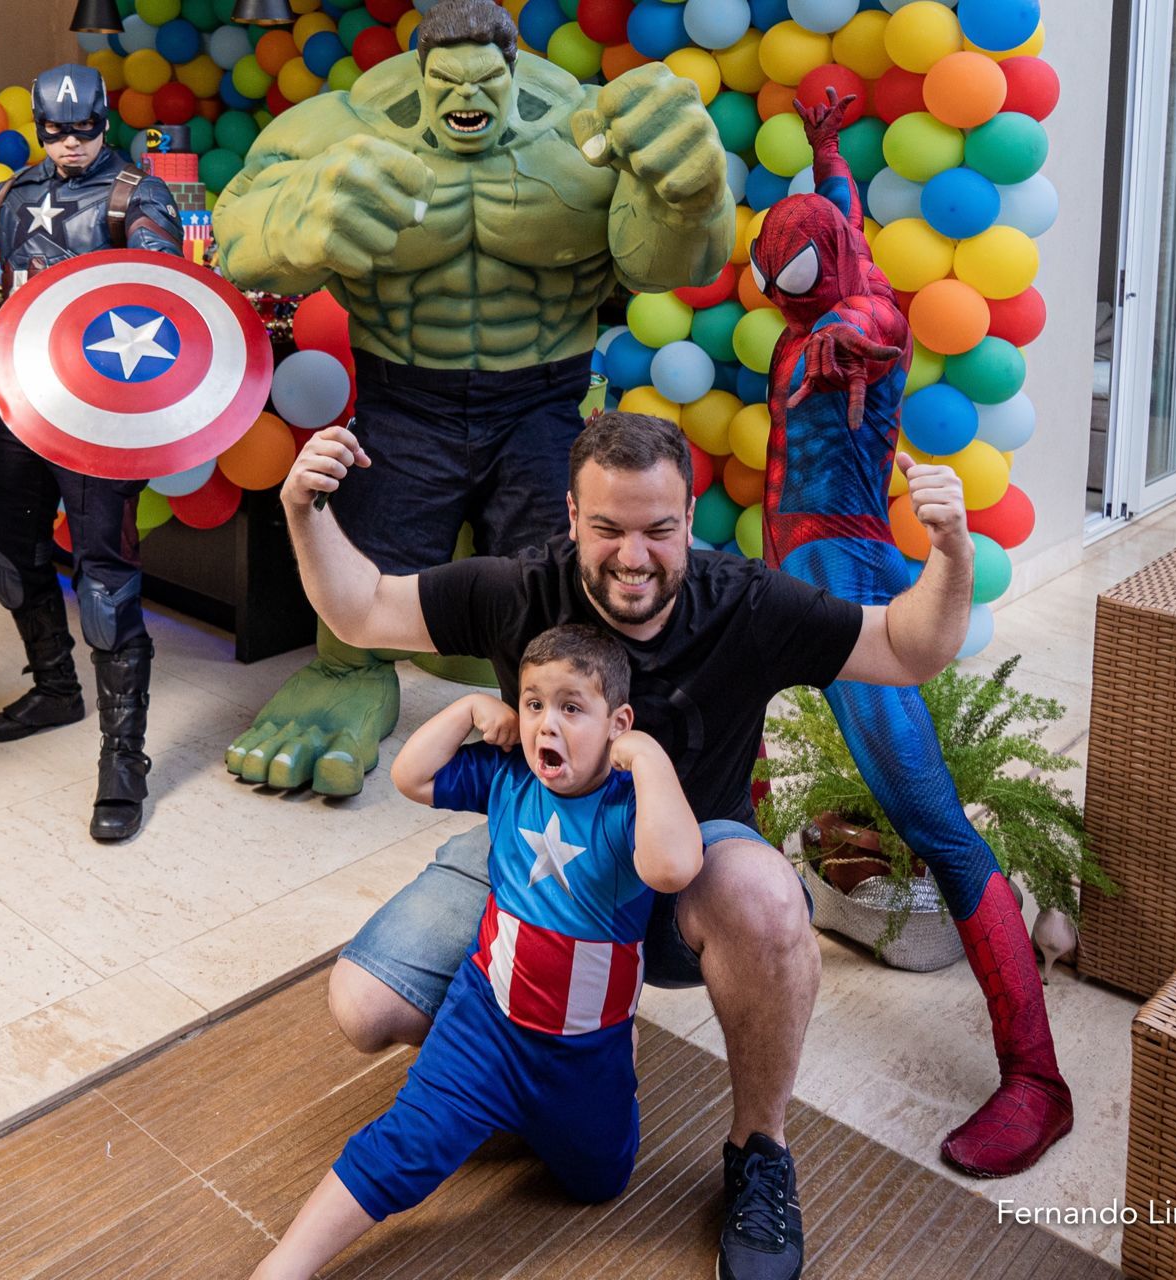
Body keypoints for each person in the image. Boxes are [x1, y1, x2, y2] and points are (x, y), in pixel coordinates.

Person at [279, 409, 976, 1280]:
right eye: (608, 528)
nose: (634, 556)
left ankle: (760, 1152)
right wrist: (303, 508)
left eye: (659, 530)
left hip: (679, 885)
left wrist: (951, 553)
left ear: (689, 519)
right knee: (363, 1008)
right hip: (536, 870)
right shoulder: (520, 588)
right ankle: (531, 1056)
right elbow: (362, 608)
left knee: (765, 895)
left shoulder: (748, 602)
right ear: (572, 517)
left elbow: (907, 650)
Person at [212, 0, 734, 799]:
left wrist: (694, 199)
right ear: (422, 71)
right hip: (402, 397)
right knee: (365, 562)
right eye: (448, 82)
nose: (468, 98)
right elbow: (236, 238)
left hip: (542, 400)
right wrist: (292, 216)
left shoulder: (585, 130)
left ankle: (580, 716)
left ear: (511, 70)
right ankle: (347, 675)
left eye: (486, 81)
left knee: (563, 590)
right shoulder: (345, 125)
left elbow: (669, 265)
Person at [754, 90, 1070, 1177]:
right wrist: (828, 148)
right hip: (793, 574)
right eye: (775, 279)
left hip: (840, 587)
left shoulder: (863, 315)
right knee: (718, 725)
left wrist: (843, 346)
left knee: (930, 817)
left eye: (797, 278)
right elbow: (840, 212)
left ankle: (1039, 1077)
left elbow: (877, 327)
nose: (783, 296)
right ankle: (714, 925)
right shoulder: (841, 268)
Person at [253, 624, 701, 1279]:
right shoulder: (509, 778)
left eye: (572, 707)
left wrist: (650, 760)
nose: (547, 724)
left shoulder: (630, 805)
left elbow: (673, 867)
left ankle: (609, 1062)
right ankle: (283, 1265)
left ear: (618, 723)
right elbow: (411, 776)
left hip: (585, 1051)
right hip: (485, 1023)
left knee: (599, 1180)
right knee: (404, 1146)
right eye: (534, 704)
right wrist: (465, 709)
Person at [0, 64, 182, 843]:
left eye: (84, 131)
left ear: (104, 123)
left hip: (97, 414)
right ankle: (55, 688)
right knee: (11, 561)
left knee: (106, 588)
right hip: (18, 401)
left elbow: (162, 283)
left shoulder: (136, 196)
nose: (71, 145)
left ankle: (124, 758)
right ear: (41, 129)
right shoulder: (16, 193)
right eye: (56, 132)